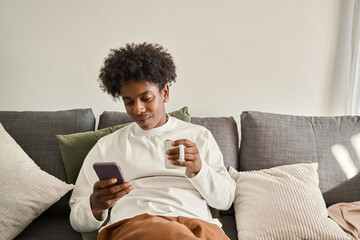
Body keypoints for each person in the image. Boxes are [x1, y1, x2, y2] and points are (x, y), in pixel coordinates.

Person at [69, 42, 236, 240]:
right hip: (135, 225)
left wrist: (199, 169)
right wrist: (96, 205)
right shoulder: (107, 146)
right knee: (167, 232)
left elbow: (225, 201)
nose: (137, 109)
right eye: (129, 102)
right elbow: (77, 219)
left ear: (164, 93)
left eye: (146, 98)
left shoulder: (199, 136)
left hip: (199, 226)